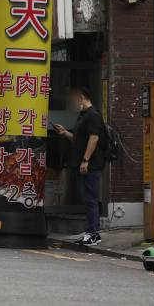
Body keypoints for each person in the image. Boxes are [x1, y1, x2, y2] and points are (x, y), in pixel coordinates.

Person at [53, 86, 105, 247]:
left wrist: (85, 160)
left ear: (82, 98)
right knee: (87, 198)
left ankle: (93, 234)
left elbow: (94, 138)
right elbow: (79, 139)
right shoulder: (83, 116)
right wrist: (65, 133)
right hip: (82, 164)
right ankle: (89, 232)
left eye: (75, 99)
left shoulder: (93, 116)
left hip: (90, 165)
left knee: (90, 198)